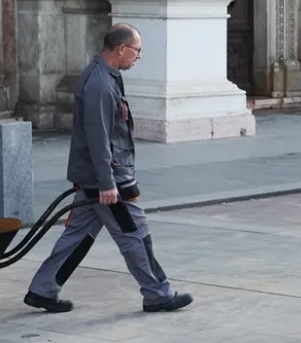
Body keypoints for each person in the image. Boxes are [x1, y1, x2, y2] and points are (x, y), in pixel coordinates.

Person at [24, 24, 192, 314]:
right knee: (135, 234)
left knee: (77, 235)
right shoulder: (100, 84)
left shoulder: (103, 75)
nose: (139, 56)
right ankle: (157, 294)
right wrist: (107, 184)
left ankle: (43, 289)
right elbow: (97, 137)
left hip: (100, 176)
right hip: (108, 178)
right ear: (121, 49)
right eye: (137, 50)